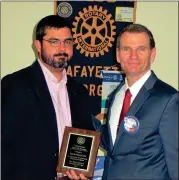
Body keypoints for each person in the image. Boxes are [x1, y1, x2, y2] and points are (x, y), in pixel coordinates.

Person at [1, 15, 94, 180]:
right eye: (54, 41)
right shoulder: (14, 85)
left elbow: (83, 141)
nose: (62, 48)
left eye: (67, 42)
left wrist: (80, 170)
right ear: (38, 45)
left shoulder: (80, 91)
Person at [92, 24, 178, 180]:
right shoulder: (116, 96)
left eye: (141, 49)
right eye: (126, 49)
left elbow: (176, 161)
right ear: (118, 55)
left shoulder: (169, 99)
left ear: (152, 54)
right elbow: (116, 146)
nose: (133, 56)